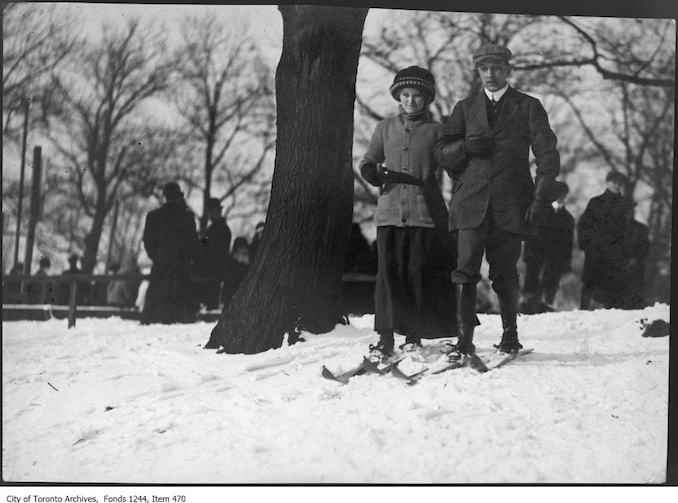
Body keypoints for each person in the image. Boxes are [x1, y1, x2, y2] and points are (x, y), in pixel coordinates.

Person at [436, 43, 561, 357]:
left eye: (496, 68)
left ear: (508, 69)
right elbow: (441, 154)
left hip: (512, 205)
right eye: (483, 68)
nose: (490, 74)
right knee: (464, 272)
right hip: (471, 205)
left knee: (505, 273)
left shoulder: (528, 106)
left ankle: (510, 337)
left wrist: (540, 200)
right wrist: (465, 147)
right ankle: (464, 340)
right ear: (477, 72)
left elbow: (548, 157)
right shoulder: (464, 109)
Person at [359, 65, 457, 361]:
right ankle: (385, 337)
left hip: (423, 211)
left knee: (417, 275)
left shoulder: (438, 131)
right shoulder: (385, 128)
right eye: (405, 94)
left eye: (416, 95)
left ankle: (413, 336)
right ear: (398, 96)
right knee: (388, 276)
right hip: (389, 211)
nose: (410, 101)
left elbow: (453, 164)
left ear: (426, 98)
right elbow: (368, 162)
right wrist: (374, 173)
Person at [141, 181, 200, 324]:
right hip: (181, 268)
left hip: (161, 267)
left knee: (155, 310)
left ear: (165, 196)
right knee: (182, 313)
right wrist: (186, 259)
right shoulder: (187, 217)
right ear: (178, 196)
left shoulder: (154, 216)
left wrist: (157, 257)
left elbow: (148, 241)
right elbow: (193, 243)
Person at [578, 171, 635, 310]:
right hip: (595, 250)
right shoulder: (595, 202)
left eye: (619, 182)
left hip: (616, 251)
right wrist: (587, 245)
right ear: (607, 182)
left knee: (614, 284)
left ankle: (611, 315)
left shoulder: (626, 205)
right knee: (590, 282)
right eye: (614, 181)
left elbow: (629, 230)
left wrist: (628, 252)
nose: (617, 185)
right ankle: (583, 312)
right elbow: (583, 225)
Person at [521, 181, 574, 313]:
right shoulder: (540, 212)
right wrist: (527, 252)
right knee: (532, 279)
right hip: (537, 252)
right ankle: (528, 303)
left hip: (556, 256)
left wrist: (566, 262)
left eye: (564, 195)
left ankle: (546, 302)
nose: (562, 197)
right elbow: (531, 234)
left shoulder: (567, 218)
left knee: (551, 281)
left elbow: (568, 243)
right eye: (560, 194)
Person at [195, 198, 232, 310]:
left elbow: (205, 247)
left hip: (212, 271)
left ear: (216, 211)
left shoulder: (216, 229)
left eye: (210, 211)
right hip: (214, 271)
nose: (209, 214)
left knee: (212, 305)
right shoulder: (218, 228)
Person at [221, 236, 251, 306]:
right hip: (231, 295)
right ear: (237, 251)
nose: (245, 253)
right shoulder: (232, 263)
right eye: (243, 252)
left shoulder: (240, 263)